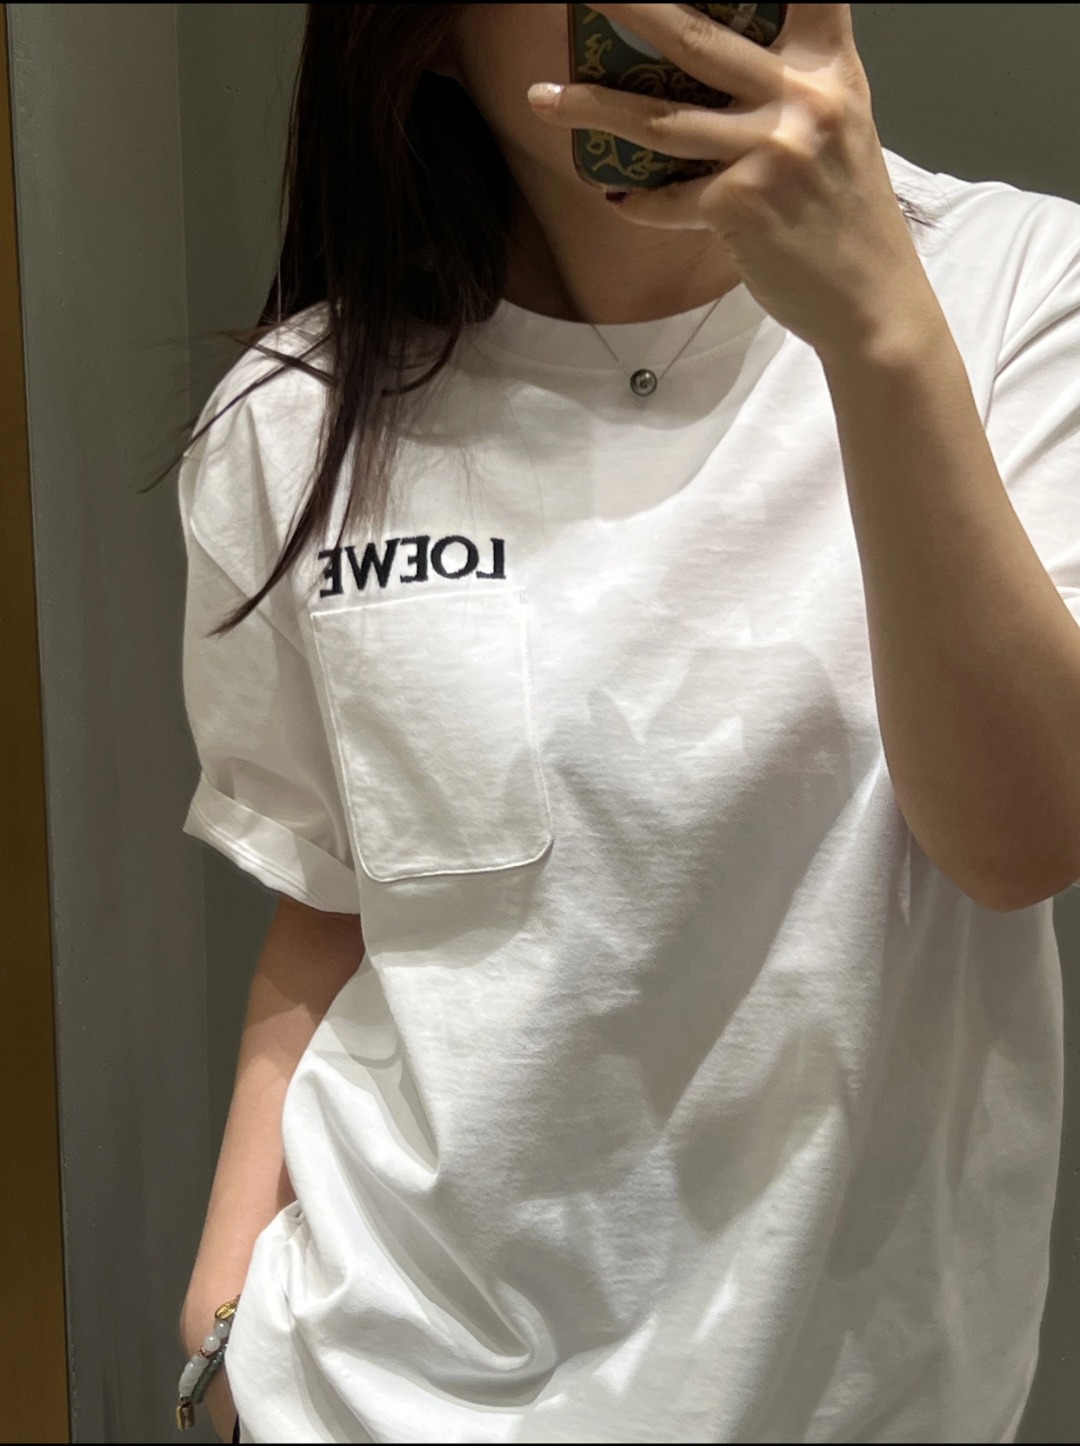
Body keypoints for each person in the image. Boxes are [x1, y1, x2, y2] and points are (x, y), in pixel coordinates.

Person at [172, 3, 1080, 1442]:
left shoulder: (1019, 287)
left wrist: (876, 325)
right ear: (422, 32)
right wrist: (220, 1331)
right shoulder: (295, 419)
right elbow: (332, 904)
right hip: (374, 1392)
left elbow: (1022, 838)